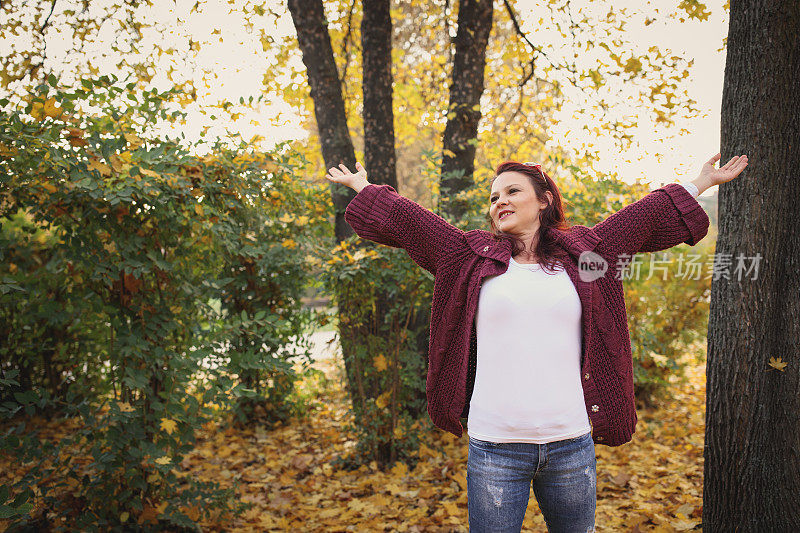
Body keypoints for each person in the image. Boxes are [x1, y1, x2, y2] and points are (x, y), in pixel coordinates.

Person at [325, 153, 748, 532]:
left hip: (571, 445)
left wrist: (701, 182)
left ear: (544, 199)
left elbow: (643, 217)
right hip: (495, 448)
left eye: (512, 191)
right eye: (493, 198)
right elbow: (411, 221)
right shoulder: (466, 256)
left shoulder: (587, 254)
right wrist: (363, 187)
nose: (499, 202)